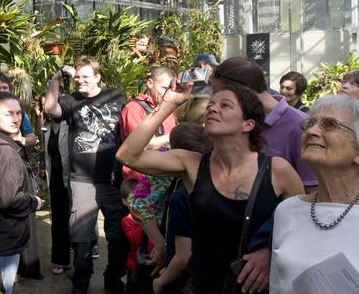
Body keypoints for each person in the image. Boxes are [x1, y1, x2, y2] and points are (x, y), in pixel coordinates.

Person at [117, 81, 304, 294]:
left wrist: (270, 251)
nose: (213, 108)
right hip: (199, 287)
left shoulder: (277, 170)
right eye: (211, 105)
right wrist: (167, 104)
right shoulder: (191, 164)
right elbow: (127, 155)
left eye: (225, 105)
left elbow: (302, 225)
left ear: (248, 124)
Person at [44, 56, 127, 294]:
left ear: (98, 77)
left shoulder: (116, 97)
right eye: (77, 77)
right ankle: (81, 282)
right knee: (81, 239)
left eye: (85, 76)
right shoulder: (71, 100)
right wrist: (56, 78)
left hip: (112, 180)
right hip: (82, 180)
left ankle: (113, 277)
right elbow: (50, 108)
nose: (80, 80)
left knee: (118, 236)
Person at [270, 94, 359, 293]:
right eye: (310, 123)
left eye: (330, 124)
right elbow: (277, 286)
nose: (311, 131)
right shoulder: (287, 210)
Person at [0, 92, 44, 294]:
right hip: (3, 235)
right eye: (8, 113)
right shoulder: (5, 152)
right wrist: (34, 201)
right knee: (2, 288)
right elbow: (8, 200)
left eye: (18, 113)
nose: (15, 118)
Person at [212, 57, 318, 191]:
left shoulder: (300, 126)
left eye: (222, 95)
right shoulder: (234, 123)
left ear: (243, 89)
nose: (215, 103)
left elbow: (312, 190)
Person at [120, 67, 178, 273]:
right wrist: (177, 136)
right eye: (164, 88)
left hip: (162, 187)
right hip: (140, 185)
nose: (167, 93)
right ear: (150, 83)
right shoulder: (134, 108)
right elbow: (142, 146)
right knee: (140, 244)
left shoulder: (172, 109)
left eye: (171, 89)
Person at [0, 72, 42, 279]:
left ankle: (26, 267)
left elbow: (33, 138)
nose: (15, 118)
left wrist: (22, 140)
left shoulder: (18, 114)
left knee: (22, 218)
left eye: (4, 87)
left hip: (18, 166)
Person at [152, 122, 213, 294]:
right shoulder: (216, 185)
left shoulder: (182, 197)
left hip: (182, 279)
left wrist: (162, 280)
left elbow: (184, 256)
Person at [39, 95, 71, 276]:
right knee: (58, 222)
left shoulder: (71, 125)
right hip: (55, 182)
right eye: (45, 105)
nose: (48, 107)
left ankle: (84, 256)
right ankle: (61, 260)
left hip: (73, 180)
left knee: (76, 222)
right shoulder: (45, 128)